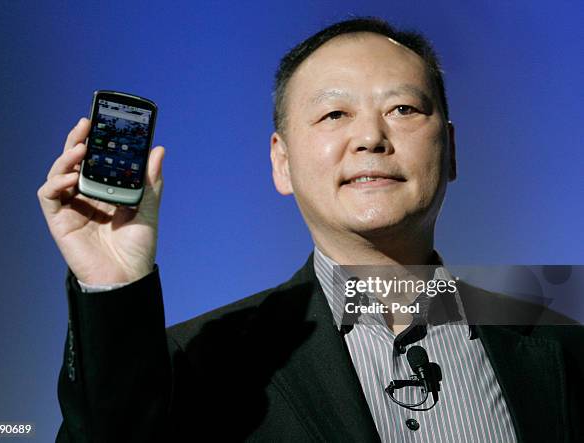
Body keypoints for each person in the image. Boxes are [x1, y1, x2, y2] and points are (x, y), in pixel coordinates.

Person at [38, 17, 583, 442]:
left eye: (402, 108)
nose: (371, 136)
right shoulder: (200, 363)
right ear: (282, 163)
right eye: (334, 115)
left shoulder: (562, 344)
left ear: (452, 149)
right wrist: (112, 287)